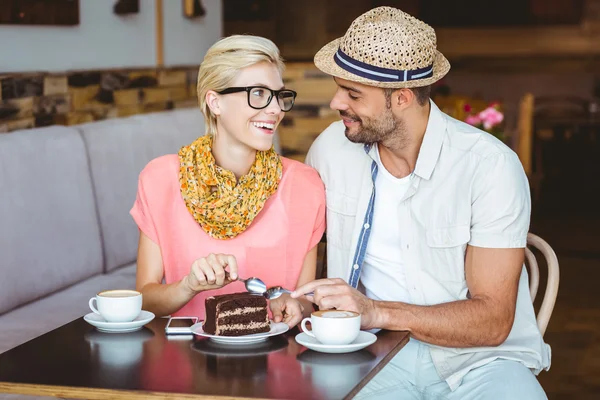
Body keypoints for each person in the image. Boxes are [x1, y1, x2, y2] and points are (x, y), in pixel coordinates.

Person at [292, 6, 551, 399]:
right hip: (369, 355)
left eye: (353, 94)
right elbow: (294, 238)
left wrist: (376, 311)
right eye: (338, 87)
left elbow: (493, 321)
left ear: (401, 98)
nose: (335, 103)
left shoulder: (489, 166)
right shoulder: (331, 149)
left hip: (480, 363)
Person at [130, 35, 325, 328]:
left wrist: (296, 304)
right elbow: (144, 299)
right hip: (185, 362)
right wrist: (188, 286)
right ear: (215, 101)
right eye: (258, 93)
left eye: (278, 95)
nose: (275, 109)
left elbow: (306, 299)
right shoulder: (160, 180)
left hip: (276, 363)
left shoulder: (306, 186)